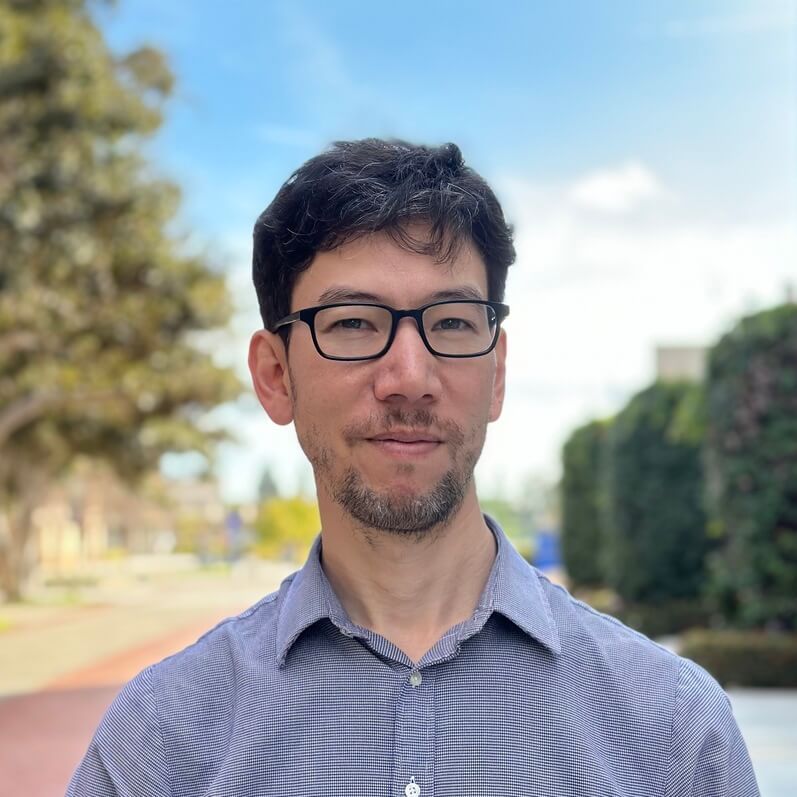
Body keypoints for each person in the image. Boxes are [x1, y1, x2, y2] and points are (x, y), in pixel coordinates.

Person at [67, 139, 760, 797]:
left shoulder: (673, 733)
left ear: (496, 373)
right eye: (353, 323)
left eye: (453, 321)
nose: (408, 376)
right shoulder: (161, 743)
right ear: (274, 375)